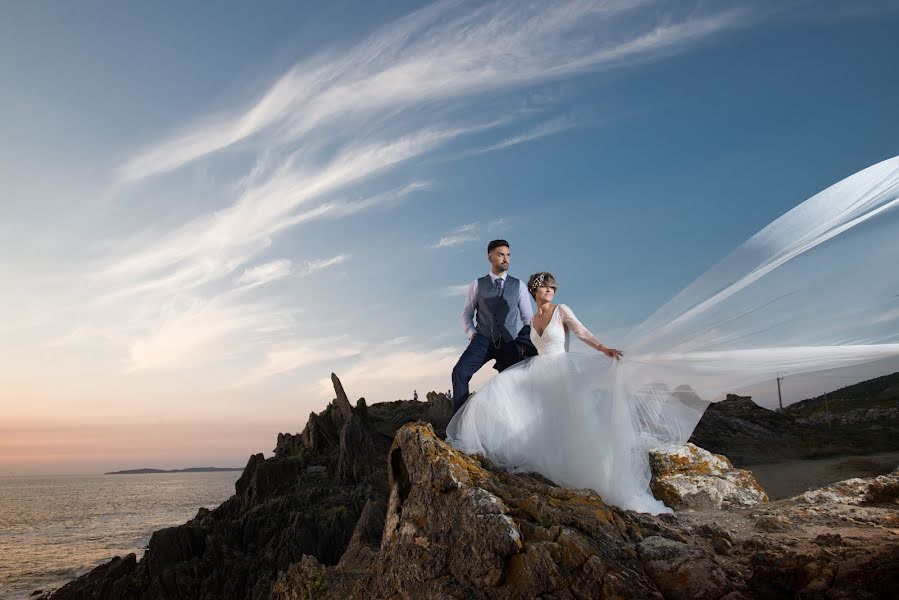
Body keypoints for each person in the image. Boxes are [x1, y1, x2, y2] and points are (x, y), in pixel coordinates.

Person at [447, 271, 672, 514]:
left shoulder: (561, 310)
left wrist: (603, 349)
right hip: (539, 371)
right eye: (545, 287)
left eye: (552, 287)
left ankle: (592, 478)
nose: (550, 290)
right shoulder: (532, 320)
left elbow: (581, 332)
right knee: (498, 394)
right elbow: (528, 348)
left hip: (563, 372)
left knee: (572, 425)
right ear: (535, 291)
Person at [451, 239, 534, 414]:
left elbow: (528, 319)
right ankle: (458, 423)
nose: (506, 259)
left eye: (508, 255)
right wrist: (473, 334)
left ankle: (518, 423)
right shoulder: (477, 284)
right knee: (459, 372)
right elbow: (466, 314)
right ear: (490, 257)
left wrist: (521, 344)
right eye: (501, 255)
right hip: (482, 340)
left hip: (509, 342)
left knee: (517, 382)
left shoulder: (519, 285)